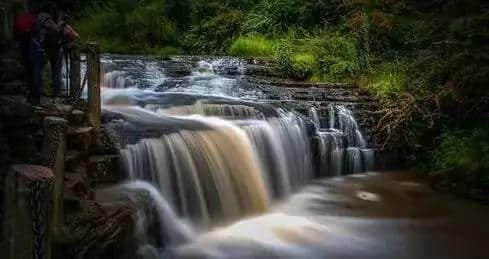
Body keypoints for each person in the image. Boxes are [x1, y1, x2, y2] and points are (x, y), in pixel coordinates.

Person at [15, 2, 60, 106]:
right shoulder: (45, 17)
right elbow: (55, 29)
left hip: (25, 46)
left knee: (29, 71)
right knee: (36, 72)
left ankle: (31, 95)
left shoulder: (31, 17)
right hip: (37, 47)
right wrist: (60, 25)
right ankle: (36, 97)